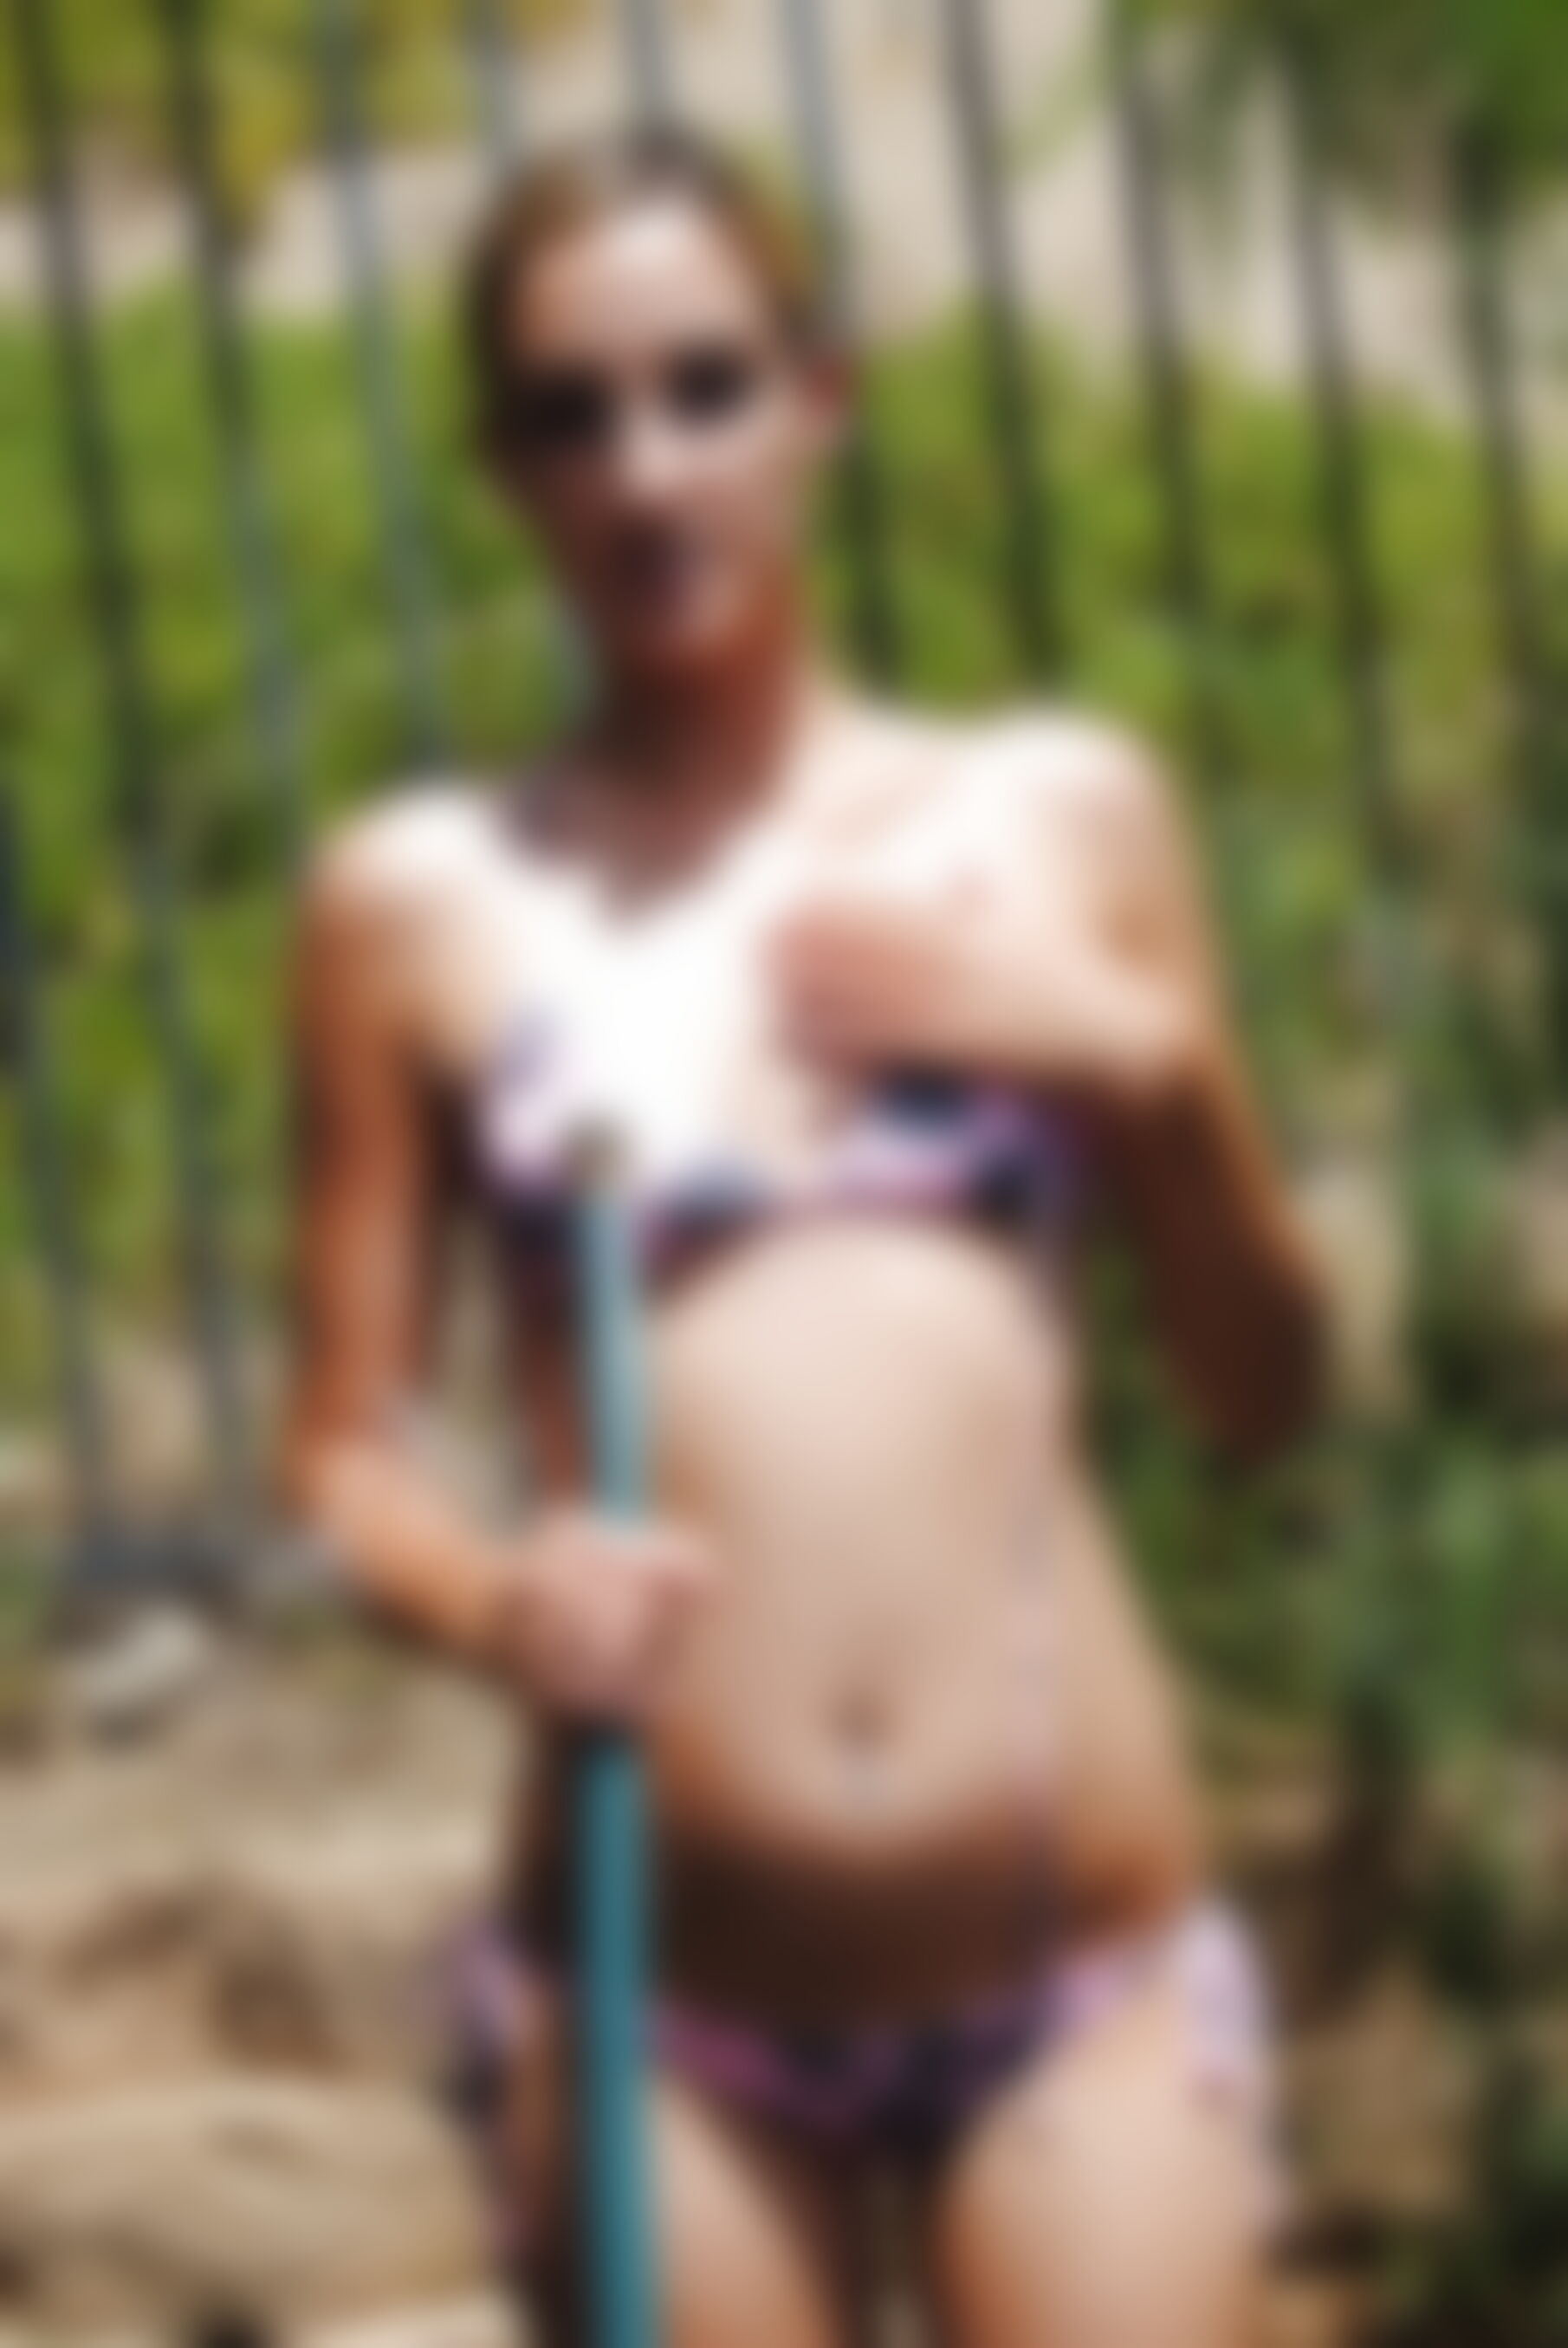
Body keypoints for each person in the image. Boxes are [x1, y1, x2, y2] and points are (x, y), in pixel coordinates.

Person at [280, 126, 1324, 2348]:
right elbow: (343, 1446)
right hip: (661, 1999)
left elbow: (1263, 1396)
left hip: (1072, 1984)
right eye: (570, 414)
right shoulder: (414, 900)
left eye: (704, 386)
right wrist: (487, 1594)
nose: (646, 469)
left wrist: (1144, 1065)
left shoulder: (1060, 820)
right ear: (503, 469)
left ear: (816, 397)